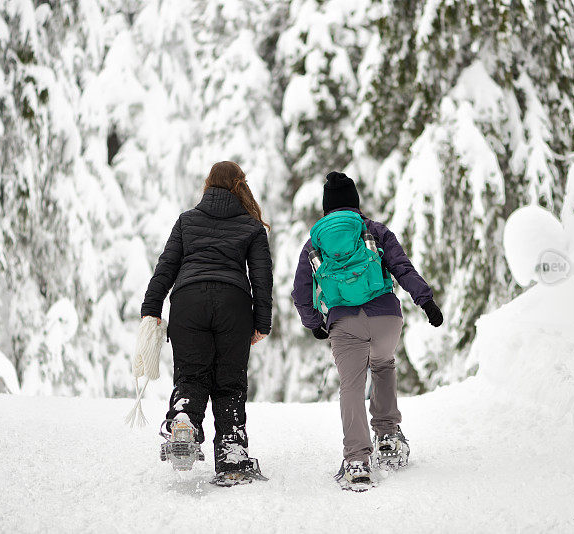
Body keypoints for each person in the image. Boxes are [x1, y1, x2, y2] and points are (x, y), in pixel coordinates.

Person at [291, 171, 443, 489]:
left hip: (344, 323)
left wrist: (314, 322)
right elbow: (402, 267)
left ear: (326, 207)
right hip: (386, 317)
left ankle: (357, 460)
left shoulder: (314, 243)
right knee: (383, 364)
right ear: (355, 203)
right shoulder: (373, 231)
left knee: (351, 386)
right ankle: (387, 435)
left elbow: (301, 291)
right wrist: (426, 301)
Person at [140, 161, 273, 485]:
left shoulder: (187, 221)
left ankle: (184, 418)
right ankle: (232, 458)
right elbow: (261, 277)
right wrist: (262, 322)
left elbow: (166, 267)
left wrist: (151, 308)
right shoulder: (251, 226)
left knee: (192, 376)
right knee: (229, 383)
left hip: (188, 303)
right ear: (239, 186)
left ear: (207, 185)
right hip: (233, 304)